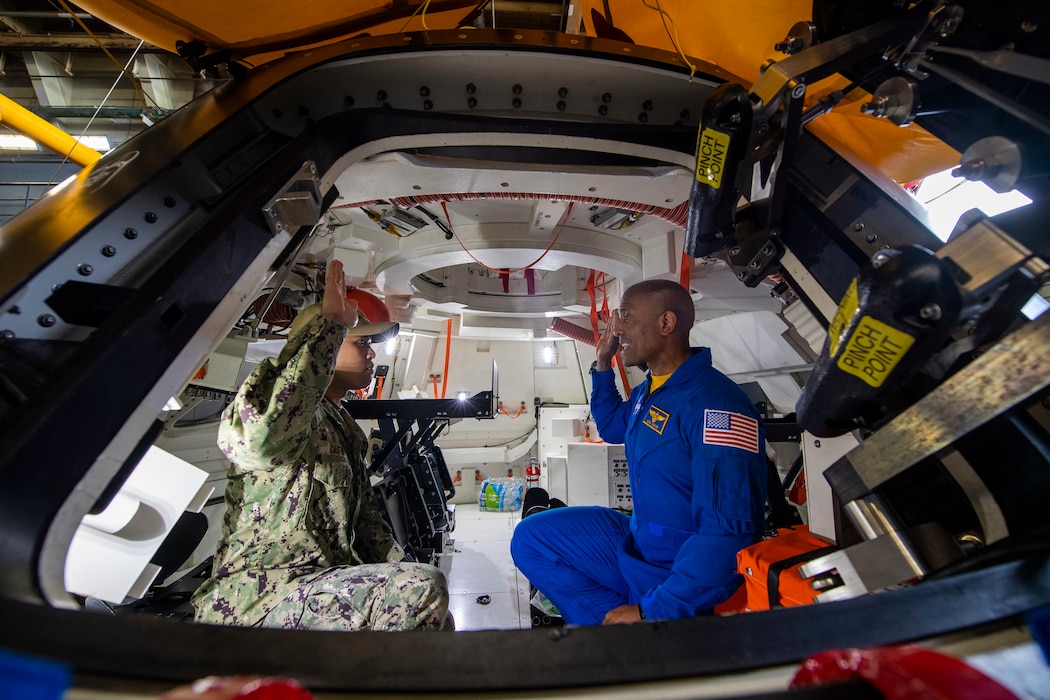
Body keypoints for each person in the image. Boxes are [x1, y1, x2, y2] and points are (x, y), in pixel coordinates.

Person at [191, 259, 450, 631]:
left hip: (319, 583)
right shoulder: (276, 411)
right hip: (261, 598)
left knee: (433, 608)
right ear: (324, 344)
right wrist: (331, 327)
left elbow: (367, 524)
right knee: (421, 589)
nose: (372, 355)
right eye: (362, 343)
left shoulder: (339, 423)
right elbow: (258, 444)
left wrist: (399, 568)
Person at [511, 279, 767, 625]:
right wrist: (603, 364)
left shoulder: (717, 407)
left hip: (675, 565)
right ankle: (615, 623)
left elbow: (727, 536)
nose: (617, 329)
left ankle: (640, 623)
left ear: (666, 323)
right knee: (531, 538)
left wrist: (652, 612)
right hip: (639, 540)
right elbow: (615, 427)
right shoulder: (652, 389)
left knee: (646, 607)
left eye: (626, 317)